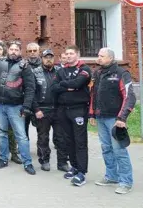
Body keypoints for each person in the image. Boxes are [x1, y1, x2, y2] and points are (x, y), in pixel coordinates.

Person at [0, 40, 37, 175]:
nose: (13, 52)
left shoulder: (25, 67)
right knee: (1, 134)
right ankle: (3, 159)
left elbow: (30, 88)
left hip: (16, 106)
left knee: (21, 136)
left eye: (16, 50)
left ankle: (27, 162)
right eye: (11, 49)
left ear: (20, 52)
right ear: (8, 50)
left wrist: (26, 106)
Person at [90, 48, 136, 194]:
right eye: (98, 56)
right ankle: (111, 176)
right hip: (101, 117)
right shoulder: (97, 73)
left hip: (115, 119)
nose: (98, 58)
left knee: (119, 150)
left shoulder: (122, 73)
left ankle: (126, 182)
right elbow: (93, 94)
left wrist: (122, 118)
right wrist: (92, 114)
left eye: (101, 56)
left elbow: (130, 96)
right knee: (106, 148)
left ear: (110, 58)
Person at [51, 45, 92, 186]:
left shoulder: (84, 69)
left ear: (77, 55)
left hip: (78, 110)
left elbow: (79, 82)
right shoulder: (61, 70)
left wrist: (65, 85)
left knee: (80, 141)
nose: (68, 56)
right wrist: (68, 86)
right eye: (66, 54)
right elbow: (54, 87)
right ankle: (74, 167)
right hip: (63, 110)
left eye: (71, 53)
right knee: (68, 140)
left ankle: (82, 172)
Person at [32, 49, 69, 172]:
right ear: (41, 59)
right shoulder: (35, 72)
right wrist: (36, 109)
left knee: (61, 137)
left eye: (51, 57)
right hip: (42, 109)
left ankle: (62, 162)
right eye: (46, 57)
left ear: (54, 59)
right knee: (43, 137)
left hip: (58, 109)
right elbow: (30, 92)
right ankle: (44, 160)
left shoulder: (60, 71)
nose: (49, 59)